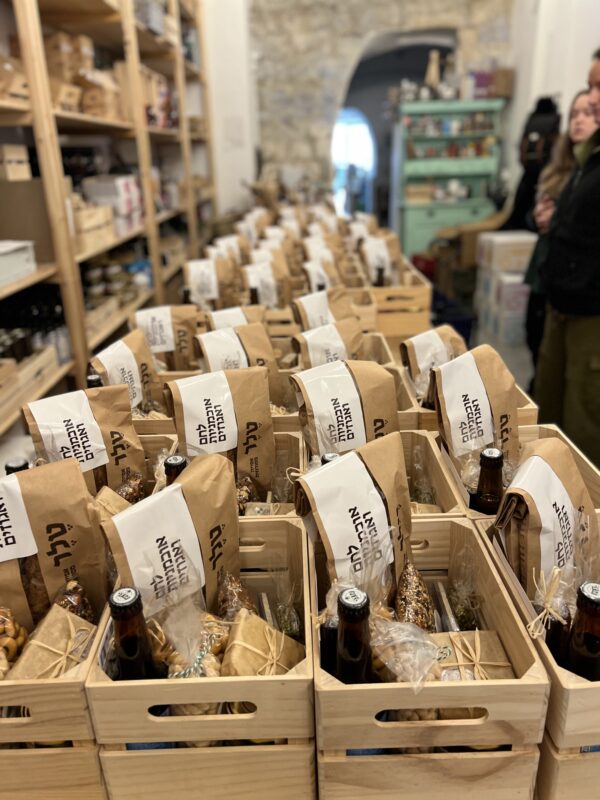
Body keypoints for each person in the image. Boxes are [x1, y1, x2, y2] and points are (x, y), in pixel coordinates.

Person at [535, 48, 600, 465]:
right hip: (562, 305)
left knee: (583, 429)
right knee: (551, 415)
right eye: (590, 86)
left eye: (598, 88)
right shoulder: (585, 159)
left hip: (591, 313)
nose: (591, 98)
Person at [525, 90, 597, 381]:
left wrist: (554, 219)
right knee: (537, 344)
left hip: (578, 288)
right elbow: (527, 213)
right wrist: (537, 217)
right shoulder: (557, 169)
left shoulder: (589, 176)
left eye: (588, 114)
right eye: (574, 114)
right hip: (545, 273)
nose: (579, 121)